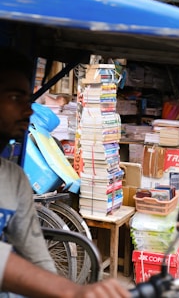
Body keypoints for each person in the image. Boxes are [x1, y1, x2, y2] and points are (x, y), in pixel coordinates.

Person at [0, 47, 130, 298]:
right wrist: (68, 290)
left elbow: (37, 257)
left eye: (29, 100)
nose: (28, 112)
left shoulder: (14, 179)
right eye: (15, 98)